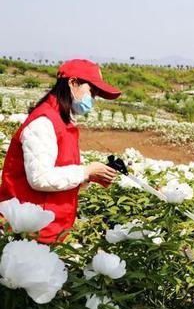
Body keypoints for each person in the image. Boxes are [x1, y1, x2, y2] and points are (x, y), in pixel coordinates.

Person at [0, 59, 121, 243]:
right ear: (73, 83)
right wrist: (85, 171)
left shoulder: (63, 122)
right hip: (25, 232)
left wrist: (88, 176)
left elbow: (59, 170)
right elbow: (40, 178)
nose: (93, 99)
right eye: (92, 91)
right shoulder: (44, 122)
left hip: (47, 230)